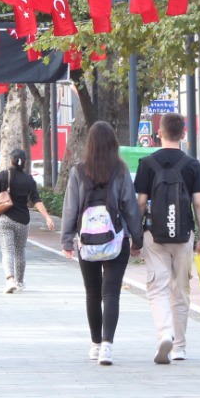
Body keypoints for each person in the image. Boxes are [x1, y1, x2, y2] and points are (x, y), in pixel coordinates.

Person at [62, 121, 143, 366]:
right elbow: (130, 207)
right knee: (111, 293)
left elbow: (70, 208)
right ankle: (107, 346)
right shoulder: (120, 170)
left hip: (87, 242)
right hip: (117, 239)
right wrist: (137, 239)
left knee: (92, 293)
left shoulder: (78, 171)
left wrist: (67, 239)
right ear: (113, 144)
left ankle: (95, 343)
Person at [135, 113, 200, 363]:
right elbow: (198, 203)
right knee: (181, 289)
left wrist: (136, 237)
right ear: (183, 135)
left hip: (154, 235)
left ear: (159, 134)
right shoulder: (192, 164)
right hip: (184, 234)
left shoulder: (147, 163)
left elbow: (141, 203)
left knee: (157, 288)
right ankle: (180, 347)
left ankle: (164, 333)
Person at [0, 148, 54, 294]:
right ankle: (19, 282)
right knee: (20, 252)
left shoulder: (2, 176)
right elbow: (36, 200)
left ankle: (9, 279)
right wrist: (47, 217)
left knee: (7, 250)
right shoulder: (29, 179)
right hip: (22, 221)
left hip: (4, 218)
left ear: (11, 160)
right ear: (24, 162)